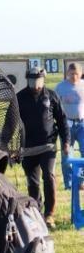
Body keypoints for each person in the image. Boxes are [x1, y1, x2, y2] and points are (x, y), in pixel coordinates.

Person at [16, 66, 69, 228]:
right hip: (28, 147)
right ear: (28, 80)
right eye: (32, 80)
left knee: (49, 176)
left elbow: (62, 120)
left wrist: (65, 141)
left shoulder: (51, 96)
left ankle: (49, 214)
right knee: (33, 182)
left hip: (48, 145)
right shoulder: (19, 98)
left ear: (43, 80)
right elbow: (11, 124)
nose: (35, 83)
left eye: (38, 80)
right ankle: (36, 212)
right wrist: (11, 147)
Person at [55, 61, 84, 189]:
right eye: (71, 74)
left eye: (76, 74)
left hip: (82, 124)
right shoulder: (60, 87)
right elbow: (54, 106)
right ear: (67, 73)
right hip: (67, 125)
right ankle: (69, 184)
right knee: (67, 155)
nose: (74, 76)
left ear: (81, 73)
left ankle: (82, 181)